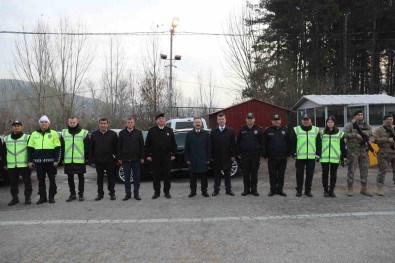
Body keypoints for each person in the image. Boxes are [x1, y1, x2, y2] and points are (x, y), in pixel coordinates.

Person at [27, 115, 61, 204]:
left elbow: (58, 148)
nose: (44, 123)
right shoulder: (34, 134)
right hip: (39, 163)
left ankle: (51, 197)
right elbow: (30, 148)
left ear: (48, 123)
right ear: (39, 123)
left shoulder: (53, 133)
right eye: (42, 122)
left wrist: (57, 160)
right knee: (41, 181)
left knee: (52, 180)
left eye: (45, 122)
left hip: (51, 163)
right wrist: (30, 161)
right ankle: (42, 198)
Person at [145, 113, 177, 199]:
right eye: (160, 119)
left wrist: (173, 154)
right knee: (156, 175)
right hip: (155, 157)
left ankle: (167, 192)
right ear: (156, 121)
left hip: (167, 157)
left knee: (167, 175)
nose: (162, 120)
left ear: (165, 120)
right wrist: (147, 155)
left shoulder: (169, 130)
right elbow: (147, 144)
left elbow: (174, 144)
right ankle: (156, 192)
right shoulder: (152, 131)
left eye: (163, 119)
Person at [343, 110, 373, 197]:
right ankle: (350, 188)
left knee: (364, 169)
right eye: (358, 115)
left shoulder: (366, 125)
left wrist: (370, 141)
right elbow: (343, 134)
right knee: (351, 169)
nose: (360, 116)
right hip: (353, 151)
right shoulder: (350, 125)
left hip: (364, 150)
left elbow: (372, 135)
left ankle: (364, 189)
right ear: (354, 116)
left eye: (361, 115)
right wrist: (354, 135)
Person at [2, 120, 32, 206]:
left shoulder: (27, 137)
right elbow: (3, 153)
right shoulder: (6, 138)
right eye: (15, 125)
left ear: (21, 127)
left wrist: (30, 161)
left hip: (24, 164)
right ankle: (15, 198)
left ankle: (27, 198)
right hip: (11, 165)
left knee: (27, 182)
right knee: (13, 183)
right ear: (12, 127)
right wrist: (5, 164)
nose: (16, 127)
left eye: (18, 125)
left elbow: (31, 151)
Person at [292, 114, 321, 197]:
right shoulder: (297, 130)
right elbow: (293, 143)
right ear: (302, 121)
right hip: (300, 157)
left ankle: (308, 191)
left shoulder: (316, 130)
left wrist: (318, 155)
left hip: (311, 157)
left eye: (307, 120)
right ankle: (299, 190)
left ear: (310, 121)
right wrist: (294, 153)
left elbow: (318, 143)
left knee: (310, 174)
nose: (306, 121)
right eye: (304, 120)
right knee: (299, 174)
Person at [61, 117, 89, 202]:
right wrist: (62, 159)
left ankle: (81, 194)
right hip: (68, 160)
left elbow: (87, 147)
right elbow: (62, 147)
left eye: (74, 122)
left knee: (81, 178)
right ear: (68, 122)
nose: (72, 124)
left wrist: (87, 159)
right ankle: (72, 194)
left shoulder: (84, 133)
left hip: (80, 160)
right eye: (71, 122)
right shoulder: (64, 133)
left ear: (77, 122)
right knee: (70, 178)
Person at [262, 114, 291, 197]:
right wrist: (265, 156)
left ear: (280, 121)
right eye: (275, 120)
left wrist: (288, 154)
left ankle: (280, 189)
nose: (277, 121)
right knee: (272, 174)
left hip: (283, 157)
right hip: (271, 158)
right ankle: (272, 190)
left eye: (278, 120)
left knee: (281, 174)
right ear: (272, 121)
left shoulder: (285, 130)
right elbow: (264, 144)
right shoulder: (267, 131)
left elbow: (289, 143)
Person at [89, 118, 118, 201]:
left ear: (107, 124)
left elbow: (117, 147)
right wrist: (91, 160)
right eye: (101, 123)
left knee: (111, 177)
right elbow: (90, 149)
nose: (103, 125)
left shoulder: (113, 134)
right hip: (98, 160)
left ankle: (112, 193)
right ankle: (100, 194)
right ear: (99, 124)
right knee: (100, 178)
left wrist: (116, 157)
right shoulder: (94, 134)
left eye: (105, 123)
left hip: (110, 160)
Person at [117, 117, 145, 201]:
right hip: (125, 160)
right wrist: (119, 158)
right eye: (128, 122)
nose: (130, 123)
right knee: (127, 178)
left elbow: (142, 146)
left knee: (136, 178)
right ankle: (127, 194)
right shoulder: (122, 133)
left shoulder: (138, 133)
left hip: (136, 160)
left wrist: (142, 157)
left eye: (131, 122)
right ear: (126, 123)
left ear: (134, 123)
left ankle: (136, 194)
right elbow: (119, 147)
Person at [319, 116, 347, 198]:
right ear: (326, 123)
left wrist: (345, 156)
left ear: (334, 123)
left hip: (335, 158)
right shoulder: (322, 133)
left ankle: (331, 191)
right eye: (328, 122)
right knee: (325, 175)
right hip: (324, 158)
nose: (330, 124)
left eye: (331, 122)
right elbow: (319, 145)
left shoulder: (340, 133)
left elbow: (343, 146)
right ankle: (325, 191)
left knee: (333, 175)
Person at [237, 112, 264, 196]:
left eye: (251, 118)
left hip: (255, 156)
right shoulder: (241, 129)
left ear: (254, 119)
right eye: (248, 118)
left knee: (254, 173)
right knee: (245, 173)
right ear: (246, 119)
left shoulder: (258, 129)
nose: (250, 120)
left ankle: (254, 190)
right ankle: (246, 189)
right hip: (244, 156)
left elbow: (262, 142)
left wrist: (261, 154)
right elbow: (238, 142)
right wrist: (238, 153)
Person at [211, 113, 236, 196]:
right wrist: (211, 156)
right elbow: (210, 145)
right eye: (219, 119)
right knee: (217, 175)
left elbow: (234, 144)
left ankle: (228, 190)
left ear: (225, 120)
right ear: (217, 121)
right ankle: (216, 190)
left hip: (227, 157)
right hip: (217, 157)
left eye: (222, 119)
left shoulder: (230, 131)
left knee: (227, 175)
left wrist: (233, 155)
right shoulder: (213, 131)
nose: (221, 120)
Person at [184, 117, 211, 197]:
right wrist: (187, 159)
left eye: (199, 122)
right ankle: (193, 192)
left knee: (204, 178)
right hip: (192, 160)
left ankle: (204, 191)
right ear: (193, 124)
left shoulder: (206, 134)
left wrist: (208, 158)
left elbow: (209, 147)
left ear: (201, 124)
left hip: (203, 159)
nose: (197, 123)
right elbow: (186, 148)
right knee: (192, 178)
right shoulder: (189, 134)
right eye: (196, 122)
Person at [372, 114, 395, 196]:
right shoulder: (379, 130)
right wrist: (387, 139)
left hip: (393, 152)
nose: (389, 121)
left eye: (391, 119)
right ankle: (379, 188)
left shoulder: (394, 129)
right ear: (384, 120)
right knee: (383, 170)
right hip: (384, 153)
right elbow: (374, 140)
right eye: (388, 119)